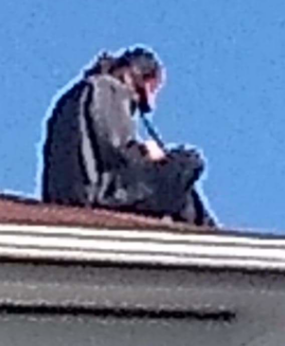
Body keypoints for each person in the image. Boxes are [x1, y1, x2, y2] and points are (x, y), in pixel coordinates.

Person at [41, 47, 215, 226]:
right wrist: (148, 154)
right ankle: (211, 235)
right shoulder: (107, 87)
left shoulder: (74, 96)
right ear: (144, 81)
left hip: (72, 193)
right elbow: (117, 153)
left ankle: (204, 228)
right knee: (187, 163)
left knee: (182, 190)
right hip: (97, 192)